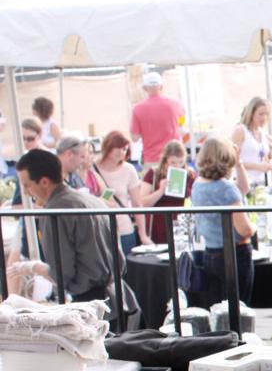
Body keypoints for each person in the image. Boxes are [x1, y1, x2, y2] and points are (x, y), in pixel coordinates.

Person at [14, 149, 115, 306]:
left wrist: (35, 268)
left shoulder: (55, 212)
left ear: (44, 182)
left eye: (28, 186)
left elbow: (61, 273)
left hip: (90, 301)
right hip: (117, 295)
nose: (26, 193)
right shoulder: (90, 200)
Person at [191, 137, 253, 306]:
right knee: (238, 309)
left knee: (218, 309)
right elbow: (245, 230)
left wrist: (239, 165)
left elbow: (243, 189)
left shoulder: (198, 185)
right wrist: (253, 227)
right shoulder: (225, 188)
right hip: (234, 254)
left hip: (211, 252)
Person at [92, 131, 144, 256]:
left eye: (125, 149)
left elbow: (137, 203)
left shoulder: (129, 170)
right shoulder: (92, 168)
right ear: (108, 146)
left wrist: (143, 234)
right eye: (118, 148)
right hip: (100, 229)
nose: (122, 152)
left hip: (124, 228)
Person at [138, 140, 195, 246]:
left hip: (182, 226)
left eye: (181, 162)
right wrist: (160, 191)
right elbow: (141, 203)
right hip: (159, 226)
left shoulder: (190, 175)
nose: (178, 166)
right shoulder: (154, 174)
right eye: (173, 162)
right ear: (165, 161)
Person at [130, 72, 183, 166]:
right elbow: (181, 123)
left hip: (152, 159)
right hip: (175, 159)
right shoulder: (176, 104)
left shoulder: (137, 109)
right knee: (176, 181)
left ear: (145, 88)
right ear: (161, 86)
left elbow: (135, 138)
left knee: (151, 181)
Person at [232, 97, 272, 188]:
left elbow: (262, 157)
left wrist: (268, 164)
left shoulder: (262, 132)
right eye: (261, 114)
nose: (264, 117)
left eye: (266, 114)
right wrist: (258, 166)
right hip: (243, 184)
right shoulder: (240, 130)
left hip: (261, 183)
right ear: (251, 113)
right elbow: (233, 161)